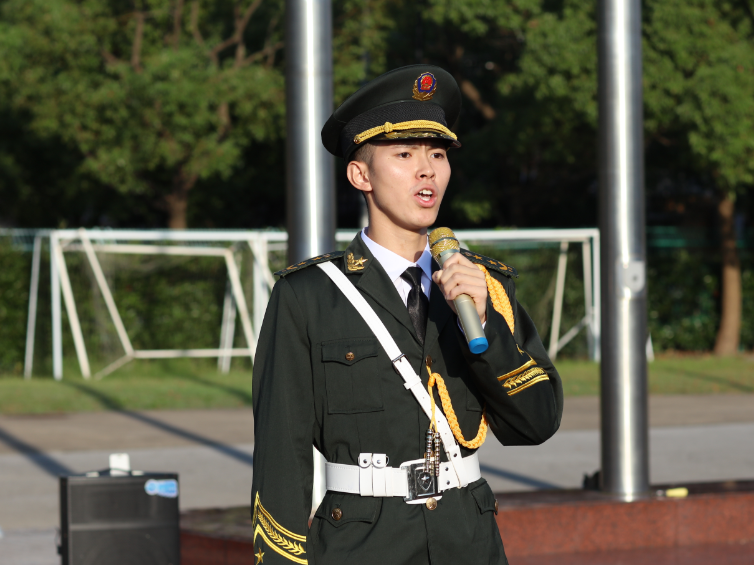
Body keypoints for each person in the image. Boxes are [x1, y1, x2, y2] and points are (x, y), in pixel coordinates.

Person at [251, 65, 563, 565]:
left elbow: (537, 423)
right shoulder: (308, 296)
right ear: (361, 175)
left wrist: (487, 325)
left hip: (468, 540)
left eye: (437, 154)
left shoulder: (481, 285)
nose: (427, 170)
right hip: (363, 544)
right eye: (404, 154)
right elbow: (280, 455)